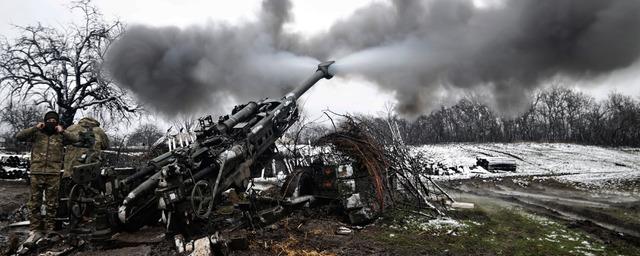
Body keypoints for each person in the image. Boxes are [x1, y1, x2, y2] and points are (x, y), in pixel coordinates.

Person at [15, 111, 79, 247]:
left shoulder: (60, 136)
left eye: (53, 120)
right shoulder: (37, 133)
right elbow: (19, 136)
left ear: (57, 122)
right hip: (36, 173)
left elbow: (76, 139)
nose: (51, 122)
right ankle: (35, 229)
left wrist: (63, 131)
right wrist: (35, 128)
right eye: (48, 120)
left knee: (52, 204)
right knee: (34, 203)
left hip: (53, 174)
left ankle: (50, 229)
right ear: (44, 121)